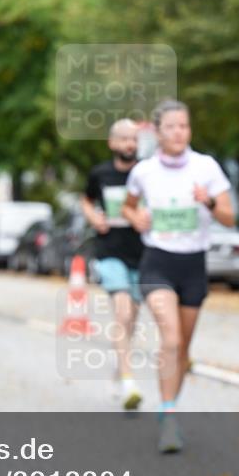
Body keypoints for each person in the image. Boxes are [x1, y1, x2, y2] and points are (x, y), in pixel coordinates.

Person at [121, 99, 235, 453]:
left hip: (192, 265)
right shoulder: (143, 171)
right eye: (171, 126)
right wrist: (135, 218)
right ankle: (169, 418)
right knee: (170, 339)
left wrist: (210, 202)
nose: (179, 132)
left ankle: (168, 404)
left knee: (182, 348)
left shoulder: (206, 167)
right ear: (157, 132)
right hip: (157, 262)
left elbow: (230, 217)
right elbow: (128, 205)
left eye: (184, 126)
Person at [81, 118, 146, 410]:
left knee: (131, 318)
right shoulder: (100, 174)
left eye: (133, 139)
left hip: (142, 252)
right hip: (109, 250)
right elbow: (86, 200)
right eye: (124, 139)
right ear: (112, 143)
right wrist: (93, 217)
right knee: (122, 311)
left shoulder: (146, 172)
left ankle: (119, 370)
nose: (129, 144)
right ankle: (130, 380)